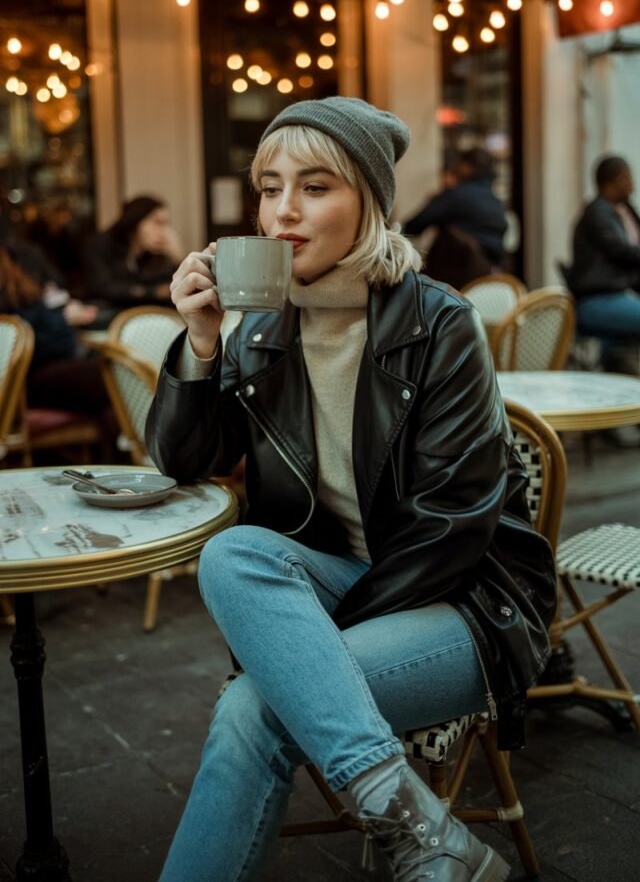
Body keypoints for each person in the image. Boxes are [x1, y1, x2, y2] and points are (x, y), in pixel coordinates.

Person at [146, 97, 556, 882]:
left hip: (466, 605)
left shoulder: (441, 324)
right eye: (268, 188)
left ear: (369, 200)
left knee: (252, 708)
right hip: (344, 587)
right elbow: (184, 460)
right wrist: (201, 341)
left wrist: (307, 653)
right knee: (231, 553)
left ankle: (415, 833)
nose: (283, 211)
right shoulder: (262, 327)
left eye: (315, 186)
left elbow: (451, 529)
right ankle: (421, 834)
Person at [0, 246, 111, 414]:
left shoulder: (18, 287)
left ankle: (130, 437)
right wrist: (63, 320)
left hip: (55, 358)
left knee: (112, 383)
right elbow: (29, 347)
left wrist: (63, 319)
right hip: (25, 378)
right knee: (111, 375)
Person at [566, 155, 640, 366]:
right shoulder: (598, 213)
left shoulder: (617, 211)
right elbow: (622, 251)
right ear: (611, 182)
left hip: (614, 297)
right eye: (626, 179)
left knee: (615, 346)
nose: (632, 186)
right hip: (598, 300)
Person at [404, 148, 508, 290]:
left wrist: (441, 196)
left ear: (466, 166)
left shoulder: (456, 196)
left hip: (458, 282)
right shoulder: (494, 201)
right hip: (488, 282)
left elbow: (414, 226)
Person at [83, 194, 182, 312]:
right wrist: (153, 292)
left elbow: (172, 288)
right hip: (107, 314)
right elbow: (104, 288)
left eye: (166, 224)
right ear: (136, 220)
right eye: (158, 223)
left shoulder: (155, 253)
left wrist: (177, 258)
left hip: (144, 316)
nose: (164, 232)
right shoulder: (100, 244)